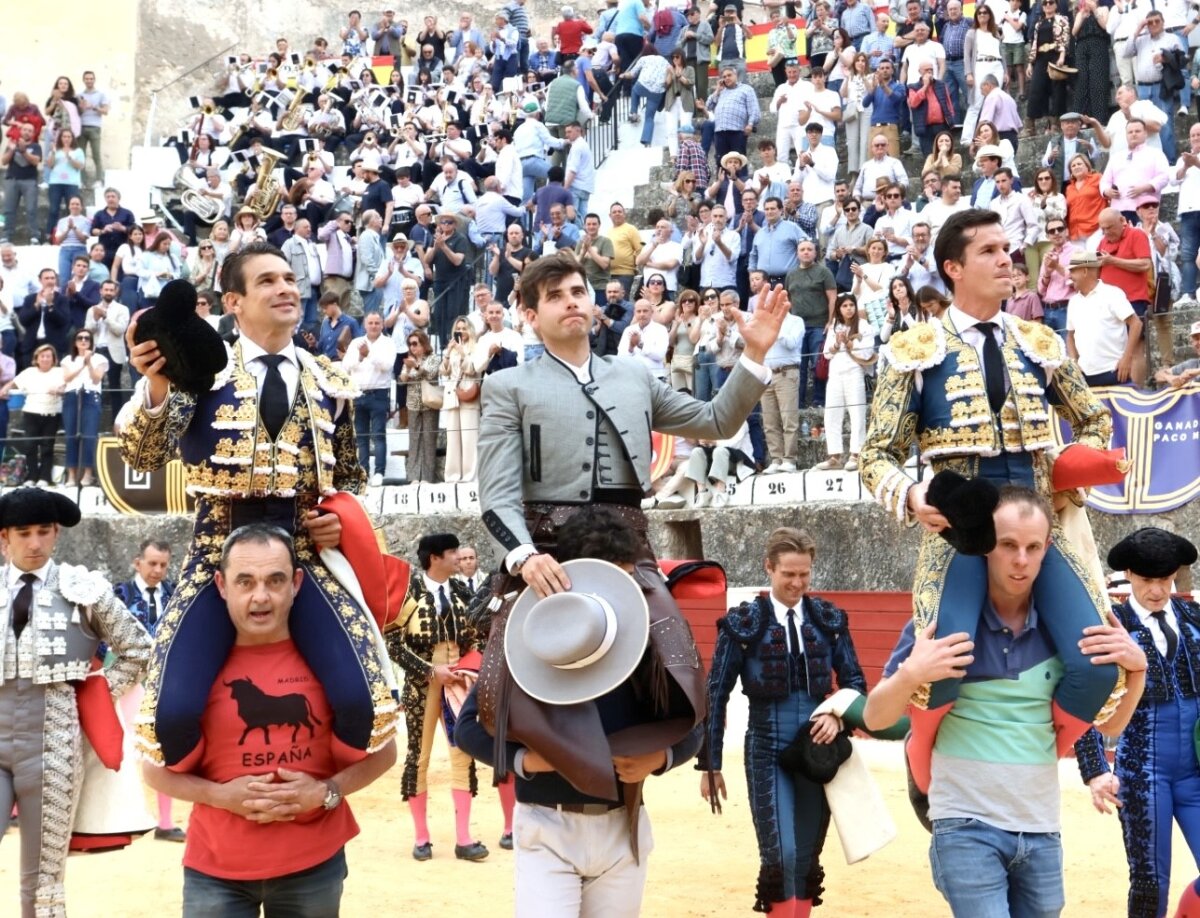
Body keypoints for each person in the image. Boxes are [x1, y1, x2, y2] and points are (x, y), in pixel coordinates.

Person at [858, 209, 1127, 802]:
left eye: (1010, 247)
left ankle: (1030, 762)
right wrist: (911, 494)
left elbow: (1093, 417)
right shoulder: (913, 350)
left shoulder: (1040, 341)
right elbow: (875, 453)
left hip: (1037, 527)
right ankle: (922, 764)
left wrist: (1074, 472)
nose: (1008, 258)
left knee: (1097, 667)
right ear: (953, 268)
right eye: (990, 251)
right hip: (962, 532)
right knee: (941, 672)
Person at [121, 241, 397, 772]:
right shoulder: (198, 371)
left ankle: (309, 788)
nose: (286, 288)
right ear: (234, 302)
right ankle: (222, 795)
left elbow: (348, 481)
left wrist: (338, 521)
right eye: (268, 280)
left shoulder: (328, 380)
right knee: (169, 718)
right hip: (214, 555)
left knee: (366, 705)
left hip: (302, 554)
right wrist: (156, 383)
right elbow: (144, 454)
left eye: (290, 279)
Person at [862, 486, 1146, 917]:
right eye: (1008, 545)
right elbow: (874, 716)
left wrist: (1138, 671)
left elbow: (1110, 728)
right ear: (985, 547)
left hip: (1041, 827)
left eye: (1033, 547)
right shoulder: (939, 625)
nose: (1020, 560)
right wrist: (912, 673)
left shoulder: (1067, 634)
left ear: (1047, 548)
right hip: (964, 823)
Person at [455, 508, 704, 915]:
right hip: (546, 824)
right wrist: (529, 761)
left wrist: (660, 758)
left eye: (627, 581)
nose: (622, 596)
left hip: (623, 824)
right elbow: (469, 728)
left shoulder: (647, 640)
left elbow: (695, 721)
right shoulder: (528, 637)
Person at [142, 525, 397, 914]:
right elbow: (154, 771)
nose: (260, 596)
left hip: (312, 864)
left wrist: (326, 791)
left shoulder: (328, 661)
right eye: (245, 582)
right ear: (221, 585)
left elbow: (385, 753)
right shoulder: (196, 670)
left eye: (274, 581)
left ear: (296, 583)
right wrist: (219, 795)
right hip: (216, 868)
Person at [701, 526, 869, 917]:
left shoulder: (828, 619)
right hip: (766, 748)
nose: (797, 583)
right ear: (769, 569)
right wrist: (710, 763)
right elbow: (715, 693)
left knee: (806, 856)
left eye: (804, 574)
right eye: (788, 574)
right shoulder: (743, 623)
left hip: (817, 750)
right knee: (782, 855)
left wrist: (838, 716)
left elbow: (855, 681)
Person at [0, 487, 150, 918]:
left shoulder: (84, 590)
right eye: (23, 533)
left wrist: (95, 692)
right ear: (4, 538)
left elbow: (141, 649)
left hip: (54, 746)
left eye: (43, 532)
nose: (34, 543)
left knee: (44, 878)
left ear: (56, 535)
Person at [1074, 528, 1199, 918]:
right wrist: (1096, 771)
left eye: (1165, 579)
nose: (1158, 590)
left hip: (1196, 769)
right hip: (1143, 773)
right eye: (1147, 580)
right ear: (1129, 574)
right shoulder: (1109, 627)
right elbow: (1082, 705)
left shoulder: (1195, 617)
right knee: (1149, 880)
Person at [386, 532, 490, 862]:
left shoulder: (461, 591)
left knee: (463, 753)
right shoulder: (408, 593)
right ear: (435, 558)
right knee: (419, 755)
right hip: (423, 684)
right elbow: (393, 644)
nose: (459, 556)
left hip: (459, 682)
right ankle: (421, 837)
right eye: (452, 551)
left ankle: (463, 838)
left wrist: (469, 666)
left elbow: (476, 638)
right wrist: (432, 672)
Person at [113, 538, 185, 842]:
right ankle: (115, 819)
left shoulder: (175, 594)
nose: (157, 570)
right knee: (120, 748)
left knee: (159, 747)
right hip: (127, 682)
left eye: (163, 565)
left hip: (162, 680)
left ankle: (165, 823)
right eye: (152, 563)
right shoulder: (118, 594)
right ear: (137, 562)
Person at [1065, 250, 1143, 386]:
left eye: (1073, 271)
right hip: (1085, 376)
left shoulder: (1112, 294)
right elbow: (1070, 336)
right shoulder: (1073, 302)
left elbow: (1136, 324)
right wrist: (1074, 362)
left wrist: (1126, 358)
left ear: (1084, 271)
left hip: (1115, 372)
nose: (1070, 276)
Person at [817, 292, 875, 472]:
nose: (849, 309)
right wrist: (836, 343)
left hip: (854, 372)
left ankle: (856, 453)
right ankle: (834, 455)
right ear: (839, 309)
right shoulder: (834, 325)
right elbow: (827, 353)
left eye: (851, 305)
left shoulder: (864, 325)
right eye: (844, 306)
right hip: (835, 373)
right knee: (831, 413)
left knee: (856, 412)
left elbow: (867, 353)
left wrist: (849, 344)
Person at [342, 313, 396, 486]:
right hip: (358, 393)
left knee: (379, 434)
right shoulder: (355, 343)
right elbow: (346, 366)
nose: (373, 326)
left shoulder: (388, 343)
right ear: (365, 325)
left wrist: (369, 354)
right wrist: (360, 356)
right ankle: (363, 472)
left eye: (377, 323)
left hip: (379, 393)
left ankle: (379, 472)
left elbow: (387, 365)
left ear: (382, 325)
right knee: (361, 436)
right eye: (370, 323)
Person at [2, 344, 64, 486]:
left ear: (53, 358)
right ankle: (31, 476)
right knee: (30, 445)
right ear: (37, 358)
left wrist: (60, 389)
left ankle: (45, 477)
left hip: (52, 413)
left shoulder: (59, 372)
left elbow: (65, 386)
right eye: (42, 356)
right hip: (31, 412)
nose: (45, 359)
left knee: (47, 446)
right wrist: (4, 389)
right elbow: (14, 383)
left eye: (48, 356)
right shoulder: (29, 372)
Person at [59, 328, 106, 488]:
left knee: (89, 435)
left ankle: (88, 473)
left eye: (87, 338)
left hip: (90, 395)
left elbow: (96, 379)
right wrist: (82, 364)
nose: (84, 341)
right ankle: (71, 474)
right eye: (80, 338)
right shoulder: (67, 359)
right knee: (71, 435)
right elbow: (67, 377)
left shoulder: (99, 358)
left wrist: (89, 363)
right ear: (75, 341)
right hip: (72, 395)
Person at [440, 316, 482, 483]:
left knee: (469, 438)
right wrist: (449, 352)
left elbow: (472, 369)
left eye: (464, 328)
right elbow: (443, 371)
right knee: (453, 438)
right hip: (452, 395)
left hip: (469, 393)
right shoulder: (451, 349)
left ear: (470, 330)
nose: (462, 332)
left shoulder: (475, 348)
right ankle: (452, 475)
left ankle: (470, 476)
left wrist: (463, 352)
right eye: (459, 329)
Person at [398, 329, 441, 483]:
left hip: (429, 402)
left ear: (423, 343)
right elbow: (402, 380)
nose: (412, 347)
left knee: (429, 440)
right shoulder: (409, 360)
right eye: (410, 344)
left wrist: (416, 367)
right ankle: (414, 477)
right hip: (413, 403)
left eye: (415, 343)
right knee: (414, 440)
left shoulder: (433, 358)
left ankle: (427, 478)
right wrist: (408, 369)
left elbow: (430, 374)